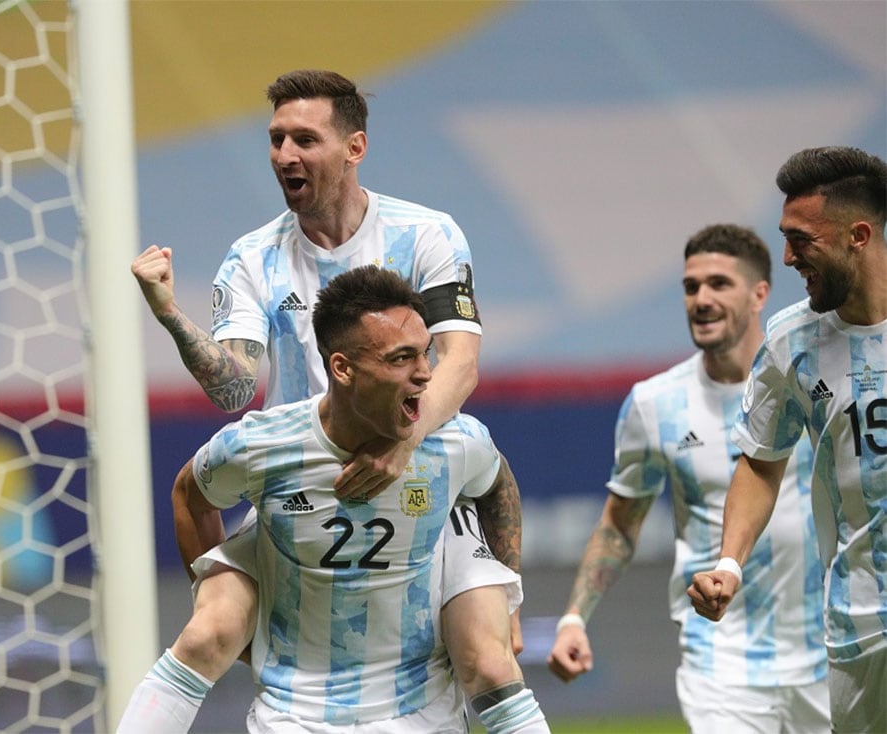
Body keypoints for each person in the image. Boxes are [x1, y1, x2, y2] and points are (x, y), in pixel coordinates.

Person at [129, 70, 528, 725]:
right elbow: (234, 389)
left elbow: (461, 361)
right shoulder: (251, 258)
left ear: (354, 147)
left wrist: (405, 441)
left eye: (304, 139)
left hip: (419, 469)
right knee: (206, 634)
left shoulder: (427, 235)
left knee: (488, 663)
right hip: (301, 484)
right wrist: (171, 314)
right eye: (276, 138)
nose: (285, 154)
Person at [120, 266, 548, 732]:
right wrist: (216, 597)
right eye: (402, 358)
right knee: (207, 633)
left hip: (421, 709)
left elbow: (497, 482)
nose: (426, 374)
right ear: (342, 368)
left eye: (425, 354)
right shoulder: (260, 447)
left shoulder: (455, 442)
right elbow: (190, 496)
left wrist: (509, 599)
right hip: (295, 709)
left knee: (492, 664)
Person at [546, 223, 829, 731]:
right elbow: (619, 525)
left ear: (760, 293)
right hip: (720, 661)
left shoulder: (813, 383)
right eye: (691, 286)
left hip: (827, 651)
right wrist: (573, 619)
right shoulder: (655, 404)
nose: (701, 298)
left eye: (719, 284)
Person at [688, 146, 887, 734]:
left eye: (802, 239)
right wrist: (729, 562)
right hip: (861, 622)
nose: (788, 256)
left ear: (857, 234)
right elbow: (760, 463)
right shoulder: (791, 340)